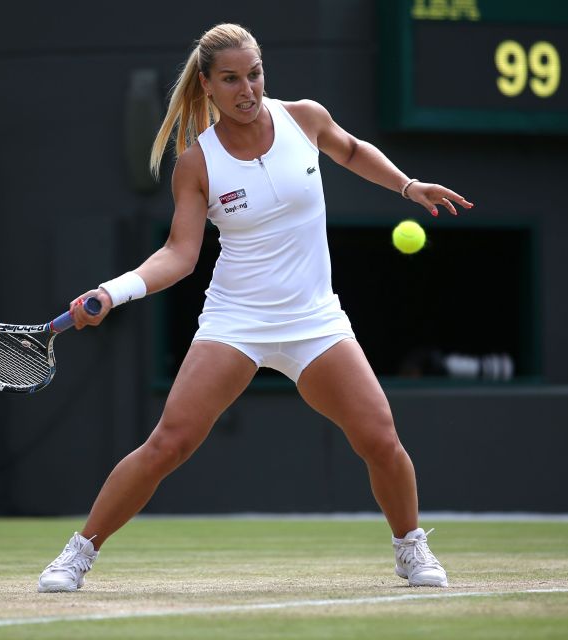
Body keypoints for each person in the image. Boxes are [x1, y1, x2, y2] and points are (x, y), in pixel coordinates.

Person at [36, 23, 474, 593]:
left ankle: (411, 548)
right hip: (235, 320)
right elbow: (179, 253)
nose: (247, 89)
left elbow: (350, 149)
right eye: (232, 79)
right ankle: (77, 553)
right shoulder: (197, 164)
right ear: (208, 86)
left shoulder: (305, 118)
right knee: (170, 442)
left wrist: (406, 185)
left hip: (314, 320)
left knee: (380, 437)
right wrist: (114, 292)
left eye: (255, 74)